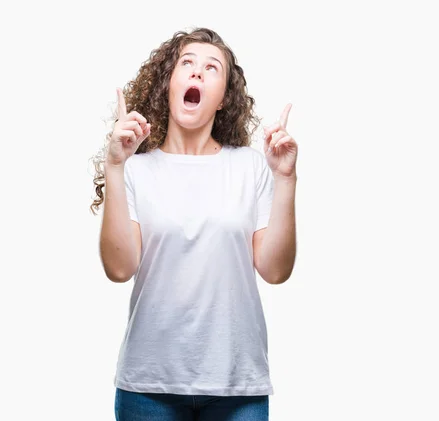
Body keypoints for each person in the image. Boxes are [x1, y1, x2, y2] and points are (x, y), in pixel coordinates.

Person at [89, 27, 298, 421]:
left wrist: (285, 178)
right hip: (148, 387)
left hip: (237, 387)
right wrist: (115, 166)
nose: (197, 73)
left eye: (211, 68)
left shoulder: (250, 167)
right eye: (187, 64)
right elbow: (119, 269)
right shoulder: (137, 170)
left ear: (223, 100)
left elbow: (275, 270)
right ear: (168, 84)